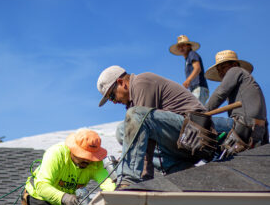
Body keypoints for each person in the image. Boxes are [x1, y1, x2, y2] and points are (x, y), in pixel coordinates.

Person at [97, 66, 232, 188]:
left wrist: (143, 179)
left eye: (112, 96)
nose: (114, 102)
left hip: (195, 132)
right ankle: (180, 169)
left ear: (121, 83)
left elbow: (146, 140)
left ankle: (129, 179)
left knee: (135, 115)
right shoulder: (134, 99)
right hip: (180, 141)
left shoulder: (141, 82)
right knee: (123, 130)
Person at [205, 50, 268, 153]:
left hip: (243, 125)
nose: (220, 72)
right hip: (256, 133)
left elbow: (220, 93)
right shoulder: (248, 84)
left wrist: (201, 114)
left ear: (234, 64)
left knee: (204, 125)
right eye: (218, 70)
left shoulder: (235, 70)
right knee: (216, 151)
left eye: (223, 67)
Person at [169, 35, 209, 104]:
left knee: (195, 110)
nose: (181, 48)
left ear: (189, 46)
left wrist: (188, 80)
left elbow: (197, 68)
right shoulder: (187, 59)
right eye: (179, 46)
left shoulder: (192, 54)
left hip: (199, 87)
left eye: (183, 45)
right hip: (194, 88)